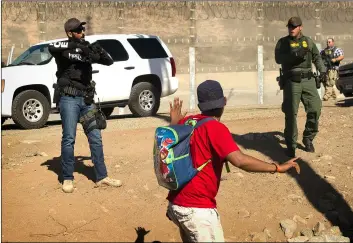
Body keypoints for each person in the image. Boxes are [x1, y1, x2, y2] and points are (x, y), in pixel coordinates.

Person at [165, 80, 300, 242]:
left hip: (176, 204)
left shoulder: (187, 121)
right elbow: (240, 160)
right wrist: (277, 167)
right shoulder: (215, 128)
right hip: (197, 210)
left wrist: (175, 121)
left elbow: (170, 141)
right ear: (224, 102)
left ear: (200, 104)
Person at [48, 18, 122, 193]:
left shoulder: (87, 49)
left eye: (82, 29)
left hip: (87, 100)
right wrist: (78, 48)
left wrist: (96, 49)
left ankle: (102, 176)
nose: (82, 32)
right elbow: (51, 47)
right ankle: (67, 178)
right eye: (79, 30)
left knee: (95, 137)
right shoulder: (63, 49)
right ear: (70, 33)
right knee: (69, 139)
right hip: (69, 100)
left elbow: (109, 60)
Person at [274, 16, 326, 158]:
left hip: (308, 79)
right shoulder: (283, 43)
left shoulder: (308, 41)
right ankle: (291, 146)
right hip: (292, 81)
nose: (292, 29)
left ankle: (308, 138)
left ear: (300, 27)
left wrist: (322, 70)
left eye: (294, 26)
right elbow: (278, 58)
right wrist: (295, 55)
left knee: (315, 108)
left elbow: (317, 57)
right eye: (290, 26)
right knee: (291, 113)